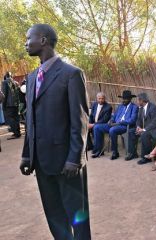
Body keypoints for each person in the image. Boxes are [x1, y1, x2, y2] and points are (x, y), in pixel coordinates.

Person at [20, 24, 91, 239]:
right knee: (54, 215)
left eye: (28, 38)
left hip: (67, 162)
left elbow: (79, 120)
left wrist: (75, 158)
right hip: (41, 162)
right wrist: (26, 155)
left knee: (77, 216)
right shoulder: (32, 78)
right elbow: (30, 121)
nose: (25, 43)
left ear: (43, 40)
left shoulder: (71, 74)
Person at [92, 90, 138, 160]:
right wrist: (111, 120)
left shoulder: (134, 107)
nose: (124, 100)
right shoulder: (120, 106)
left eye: (126, 99)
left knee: (112, 130)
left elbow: (132, 120)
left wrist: (122, 122)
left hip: (124, 126)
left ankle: (115, 152)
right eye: (123, 98)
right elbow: (114, 116)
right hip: (114, 124)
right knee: (97, 127)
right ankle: (98, 150)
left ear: (130, 99)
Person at [127, 93, 156, 163]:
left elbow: (155, 123)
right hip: (145, 128)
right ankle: (133, 153)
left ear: (142, 100)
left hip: (155, 129)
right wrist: (138, 126)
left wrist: (143, 129)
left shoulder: (153, 108)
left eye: (138, 100)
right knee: (131, 131)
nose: (137, 102)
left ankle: (146, 157)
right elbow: (138, 120)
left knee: (144, 134)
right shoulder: (141, 108)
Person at [1, 72, 21, 139]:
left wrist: (3, 105)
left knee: (11, 119)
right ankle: (18, 133)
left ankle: (16, 133)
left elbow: (4, 95)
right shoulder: (16, 82)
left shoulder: (4, 82)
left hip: (9, 104)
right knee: (16, 118)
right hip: (16, 104)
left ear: (5, 76)